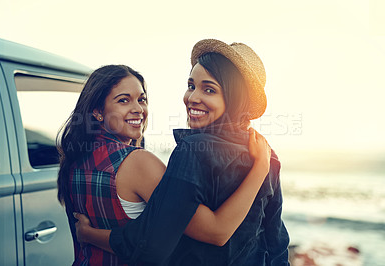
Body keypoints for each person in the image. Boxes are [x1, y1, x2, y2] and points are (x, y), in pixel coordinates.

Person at [74, 39, 290, 265]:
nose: (192, 97)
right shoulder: (266, 154)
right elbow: (276, 243)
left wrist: (88, 235)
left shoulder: (192, 151)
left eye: (209, 89)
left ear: (234, 97)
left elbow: (149, 245)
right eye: (191, 85)